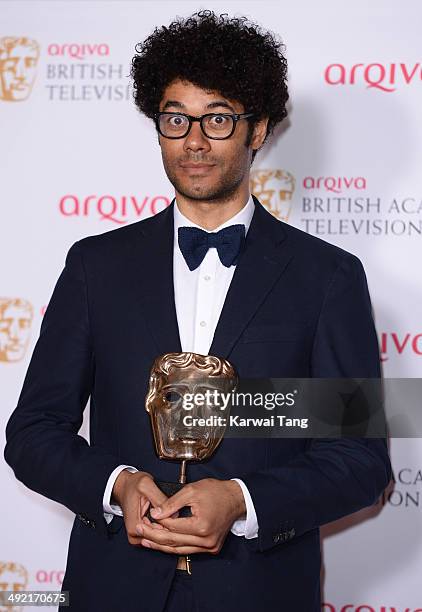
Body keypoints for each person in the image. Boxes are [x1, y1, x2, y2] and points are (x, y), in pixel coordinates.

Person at [4, 11, 392, 612]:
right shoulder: (95, 267)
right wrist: (115, 485)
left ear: (257, 128)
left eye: (217, 118)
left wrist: (243, 501)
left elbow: (359, 461)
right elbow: (33, 433)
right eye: (175, 118)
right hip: (113, 590)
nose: (194, 141)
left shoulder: (327, 277)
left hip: (259, 592)